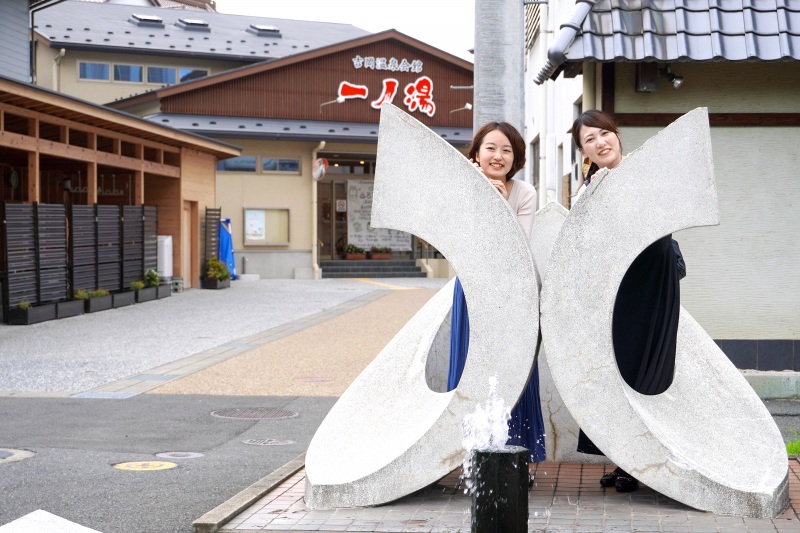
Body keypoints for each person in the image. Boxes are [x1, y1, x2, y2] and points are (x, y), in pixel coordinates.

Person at [571, 109, 684, 492]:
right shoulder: (586, 189)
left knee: (648, 369)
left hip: (653, 278)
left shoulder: (645, 170)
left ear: (617, 136)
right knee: (617, 370)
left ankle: (642, 464)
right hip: (616, 290)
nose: (601, 142)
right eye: (590, 139)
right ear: (584, 151)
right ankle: (623, 459)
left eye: (605, 134)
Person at [446, 121, 545, 465]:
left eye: (507, 150)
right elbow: (461, 245)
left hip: (511, 294)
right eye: (490, 148)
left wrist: (499, 207)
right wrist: (477, 194)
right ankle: (468, 457)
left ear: (516, 157)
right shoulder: (462, 189)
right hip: (472, 290)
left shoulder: (524, 193)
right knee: (470, 368)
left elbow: (516, 252)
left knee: (514, 370)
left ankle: (519, 459)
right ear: (475, 153)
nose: (498, 156)